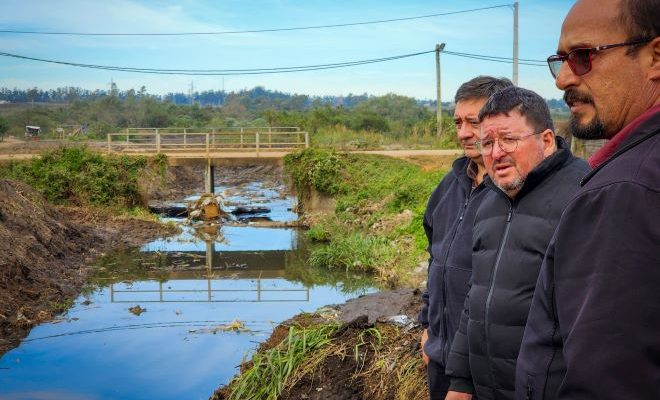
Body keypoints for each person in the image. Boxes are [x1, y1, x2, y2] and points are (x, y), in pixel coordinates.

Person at [515, 1, 660, 399]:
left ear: (655, 57)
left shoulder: (625, 191)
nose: (562, 79)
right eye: (560, 60)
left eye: (582, 56)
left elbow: (610, 382)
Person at [444, 87, 589, 400]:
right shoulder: (488, 203)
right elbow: (476, 294)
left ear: (546, 141)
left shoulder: (584, 196)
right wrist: (460, 382)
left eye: (508, 139)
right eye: (487, 143)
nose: (496, 154)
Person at [418, 76, 513, 399]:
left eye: (473, 122)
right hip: (441, 360)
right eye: (458, 121)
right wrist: (427, 326)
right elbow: (436, 260)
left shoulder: (514, 192)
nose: (463, 133)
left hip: (489, 372)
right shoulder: (448, 186)